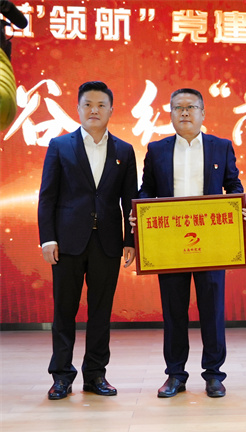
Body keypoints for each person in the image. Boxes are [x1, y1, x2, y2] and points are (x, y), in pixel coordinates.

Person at [136, 88, 246, 398]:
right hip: (170, 246)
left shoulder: (220, 147)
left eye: (190, 107)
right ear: (170, 114)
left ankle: (214, 374)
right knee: (174, 311)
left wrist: (240, 206)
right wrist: (140, 212)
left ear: (203, 113)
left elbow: (233, 185)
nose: (184, 112)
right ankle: (175, 375)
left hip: (211, 244)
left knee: (212, 310)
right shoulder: (157, 150)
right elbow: (147, 191)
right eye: (178, 108)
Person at [38, 81, 138, 400]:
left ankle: (95, 375)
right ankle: (61, 376)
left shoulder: (124, 150)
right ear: (78, 109)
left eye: (100, 105)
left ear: (111, 110)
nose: (94, 110)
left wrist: (130, 240)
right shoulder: (60, 146)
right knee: (64, 311)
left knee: (101, 312)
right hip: (67, 242)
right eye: (88, 104)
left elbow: (130, 200)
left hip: (107, 244)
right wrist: (47, 238)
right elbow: (47, 196)